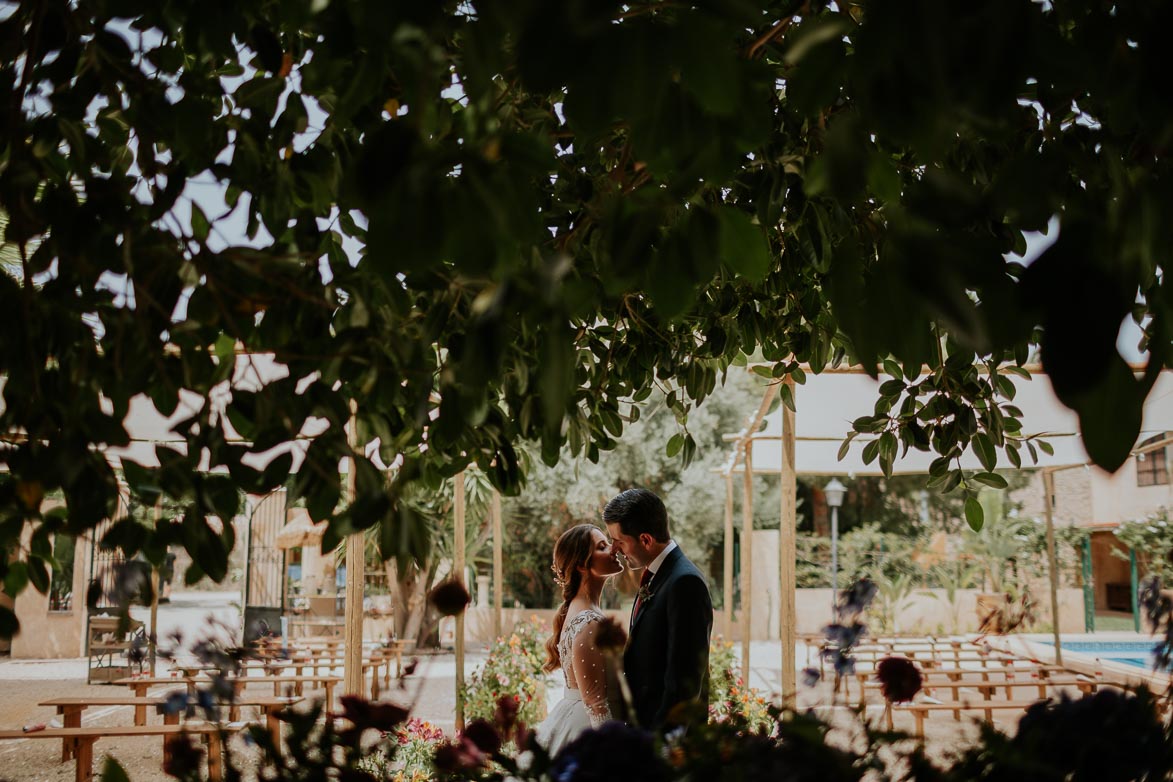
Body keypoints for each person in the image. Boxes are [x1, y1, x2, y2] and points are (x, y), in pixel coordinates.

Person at [605, 487, 713, 730]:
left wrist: (660, 742)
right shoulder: (657, 575)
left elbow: (685, 680)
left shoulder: (685, 582)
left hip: (664, 737)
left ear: (645, 539)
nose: (614, 550)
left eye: (619, 542)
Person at [536, 524, 624, 755]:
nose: (614, 549)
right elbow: (596, 702)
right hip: (591, 730)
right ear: (581, 565)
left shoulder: (582, 610)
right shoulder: (588, 622)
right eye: (602, 547)